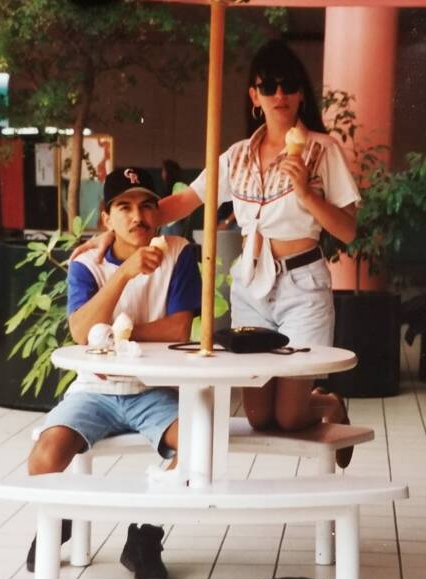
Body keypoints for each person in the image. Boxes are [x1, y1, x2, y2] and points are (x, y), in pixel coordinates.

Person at [73, 40, 359, 468]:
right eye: (269, 86)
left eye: (289, 85)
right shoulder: (236, 157)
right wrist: (113, 234)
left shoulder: (322, 150)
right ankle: (315, 403)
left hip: (302, 282)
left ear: (301, 93)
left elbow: (348, 230)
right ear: (254, 96)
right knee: (261, 417)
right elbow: (181, 203)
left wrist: (304, 192)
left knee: (290, 414)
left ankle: (326, 403)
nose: (279, 95)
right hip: (250, 286)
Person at [26, 167, 201, 579]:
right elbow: (81, 330)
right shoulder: (88, 263)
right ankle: (57, 518)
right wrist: (124, 274)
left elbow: (178, 329)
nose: (137, 216)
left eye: (146, 205)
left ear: (159, 213)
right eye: (124, 207)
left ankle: (143, 537)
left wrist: (112, 335)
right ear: (107, 218)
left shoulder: (179, 252)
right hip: (96, 388)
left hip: (154, 388)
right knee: (46, 454)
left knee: (198, 445)